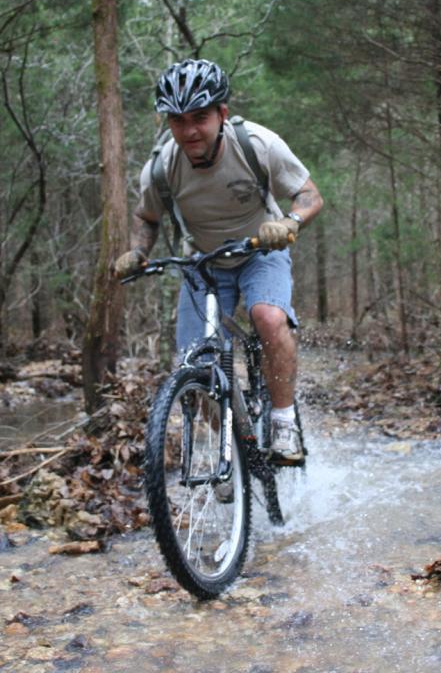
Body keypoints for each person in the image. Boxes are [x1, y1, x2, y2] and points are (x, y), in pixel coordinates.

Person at [114, 59, 323, 461]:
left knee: (268, 317)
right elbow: (146, 215)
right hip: (203, 263)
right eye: (178, 120)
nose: (190, 130)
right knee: (193, 364)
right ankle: (237, 447)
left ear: (222, 114)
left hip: (261, 250)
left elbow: (310, 195)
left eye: (200, 117)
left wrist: (291, 222)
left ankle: (282, 423)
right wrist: (138, 252)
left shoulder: (258, 145)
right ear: (167, 122)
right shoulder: (160, 167)